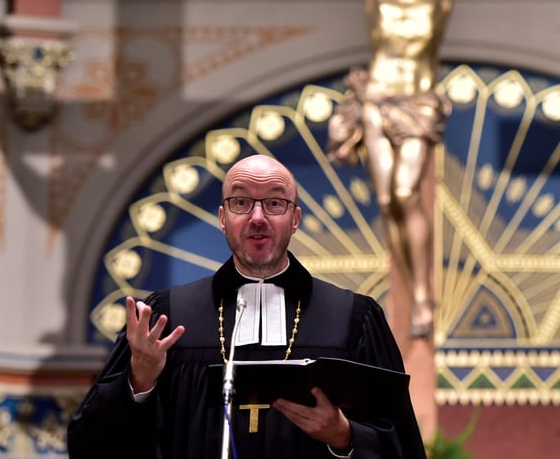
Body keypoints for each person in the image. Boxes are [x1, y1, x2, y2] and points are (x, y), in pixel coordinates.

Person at [241, 0, 560, 339]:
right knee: (386, 202)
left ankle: (424, 295)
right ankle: (411, 286)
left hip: (417, 103)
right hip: (375, 101)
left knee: (406, 194)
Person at [67, 154, 427, 459]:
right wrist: (139, 380)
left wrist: (343, 435)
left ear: (295, 220)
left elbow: (403, 444)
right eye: (241, 202)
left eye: (274, 203)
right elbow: (89, 445)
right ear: (223, 219)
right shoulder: (168, 316)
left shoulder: (353, 319)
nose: (257, 217)